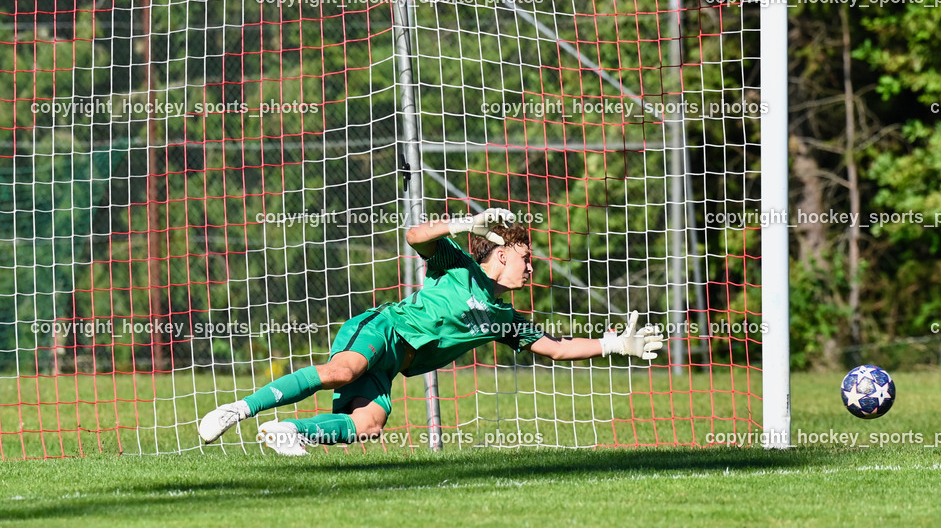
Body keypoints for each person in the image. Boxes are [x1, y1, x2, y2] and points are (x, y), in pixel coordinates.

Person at [198, 209, 664, 455]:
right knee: (344, 369)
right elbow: (414, 236)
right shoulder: (458, 265)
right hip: (384, 328)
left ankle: (286, 432)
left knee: (370, 425)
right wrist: (465, 223)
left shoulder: (503, 317)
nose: (531, 266)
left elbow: (556, 350)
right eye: (526, 257)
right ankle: (237, 410)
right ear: (501, 256)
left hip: (395, 363)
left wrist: (613, 344)